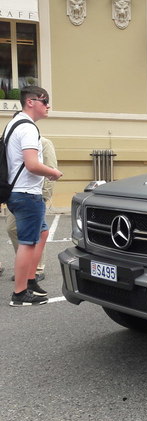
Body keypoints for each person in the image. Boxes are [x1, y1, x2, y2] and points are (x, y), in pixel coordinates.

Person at [4, 86, 63, 306]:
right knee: (28, 243)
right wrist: (53, 172)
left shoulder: (14, 124)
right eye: (44, 101)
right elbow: (32, 165)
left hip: (19, 192)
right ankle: (19, 294)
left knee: (43, 233)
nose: (48, 105)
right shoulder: (27, 128)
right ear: (31, 102)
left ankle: (30, 281)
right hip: (27, 194)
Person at [7, 136, 58, 281]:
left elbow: (51, 167)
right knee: (12, 229)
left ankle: (36, 269)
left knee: (38, 231)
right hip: (18, 194)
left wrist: (44, 195)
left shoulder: (44, 143)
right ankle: (24, 266)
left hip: (35, 195)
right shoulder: (14, 144)